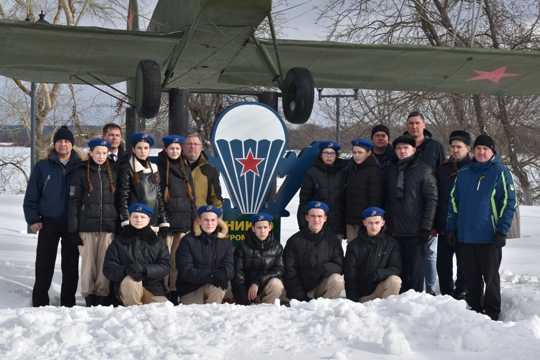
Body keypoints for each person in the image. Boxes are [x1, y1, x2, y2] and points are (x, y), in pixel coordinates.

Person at [447, 134, 516, 321]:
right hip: (467, 236)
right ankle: (475, 308)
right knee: (471, 277)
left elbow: (508, 204)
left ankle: (492, 312)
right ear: (473, 150)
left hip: (489, 236)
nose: (481, 152)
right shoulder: (464, 173)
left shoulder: (500, 172)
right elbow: (454, 202)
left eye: (485, 149)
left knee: (490, 277)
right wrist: (451, 228)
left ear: (492, 151)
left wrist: (502, 231)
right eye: (478, 148)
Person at [23, 125, 84, 307]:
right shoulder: (43, 166)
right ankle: (40, 301)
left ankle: (68, 302)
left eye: (66, 141)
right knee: (44, 264)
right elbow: (32, 194)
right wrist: (33, 219)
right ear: (54, 144)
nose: (63, 144)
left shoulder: (81, 166)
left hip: (72, 222)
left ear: (72, 145)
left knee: (71, 265)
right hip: (48, 222)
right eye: (59, 141)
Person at [68, 138, 117, 307]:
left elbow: (117, 200)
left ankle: (102, 295)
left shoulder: (112, 173)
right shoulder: (81, 173)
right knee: (88, 263)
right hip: (87, 226)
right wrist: (73, 229)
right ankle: (89, 295)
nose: (101, 156)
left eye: (104, 153)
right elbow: (73, 202)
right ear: (90, 153)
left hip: (108, 227)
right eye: (97, 152)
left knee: (104, 261)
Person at [386, 135, 437, 293]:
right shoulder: (392, 170)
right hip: (395, 229)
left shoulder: (424, 170)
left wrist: (425, 227)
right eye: (399, 148)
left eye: (406, 148)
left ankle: (415, 302)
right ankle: (401, 301)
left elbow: (431, 200)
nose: (402, 151)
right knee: (400, 269)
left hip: (415, 230)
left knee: (415, 272)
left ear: (413, 150)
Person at [403, 111, 446, 295]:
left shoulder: (434, 147)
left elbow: (442, 179)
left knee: (428, 253)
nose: (414, 126)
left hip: (429, 207)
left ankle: (429, 291)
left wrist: (435, 220)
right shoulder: (401, 145)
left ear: (424, 125)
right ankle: (410, 290)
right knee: (409, 255)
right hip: (407, 210)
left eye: (417, 123)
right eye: (411, 123)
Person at [103, 203, 170, 306]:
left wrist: (144, 269)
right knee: (131, 281)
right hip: (127, 288)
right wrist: (126, 270)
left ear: (149, 220)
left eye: (143, 217)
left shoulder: (158, 242)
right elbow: (108, 269)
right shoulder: (118, 242)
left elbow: (166, 266)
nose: (139, 220)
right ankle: (132, 313)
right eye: (135, 216)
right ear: (130, 218)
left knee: (163, 310)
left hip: (153, 287)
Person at [157, 134, 197, 305]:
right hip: (166, 224)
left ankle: (174, 292)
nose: (174, 151)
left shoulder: (185, 168)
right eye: (171, 148)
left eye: (177, 148)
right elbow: (158, 198)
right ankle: (162, 292)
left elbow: (192, 197)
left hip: (183, 223)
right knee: (163, 261)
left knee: (177, 262)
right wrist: (162, 220)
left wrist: (194, 220)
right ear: (165, 149)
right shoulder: (158, 167)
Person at [433, 130, 472, 299]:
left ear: (467, 148)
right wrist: (434, 224)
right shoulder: (443, 169)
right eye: (453, 146)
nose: (455, 150)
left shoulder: (472, 168)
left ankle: (461, 291)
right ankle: (446, 293)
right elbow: (437, 198)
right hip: (443, 224)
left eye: (459, 147)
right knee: (443, 264)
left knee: (464, 263)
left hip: (464, 226)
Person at [283, 201, 344, 301]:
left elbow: (340, 265)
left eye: (320, 216)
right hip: (300, 293)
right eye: (313, 216)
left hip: (323, 289)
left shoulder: (332, 240)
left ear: (325, 218)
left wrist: (321, 270)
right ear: (307, 217)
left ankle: (325, 310)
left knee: (337, 279)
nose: (316, 220)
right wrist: (302, 298)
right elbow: (289, 273)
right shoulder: (294, 241)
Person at [176, 205, 234, 304]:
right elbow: (185, 271)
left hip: (212, 286)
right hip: (190, 288)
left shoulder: (226, 243)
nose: (209, 223)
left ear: (217, 222)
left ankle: (214, 314)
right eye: (206, 220)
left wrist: (223, 272)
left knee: (219, 285)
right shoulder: (187, 240)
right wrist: (211, 275)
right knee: (196, 315)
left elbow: (230, 267)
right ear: (199, 221)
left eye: (212, 220)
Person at [344, 207, 401, 303]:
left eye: (377, 223)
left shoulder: (391, 244)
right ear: (364, 223)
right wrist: (353, 303)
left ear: (383, 223)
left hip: (382, 292)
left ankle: (389, 311)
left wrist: (377, 275)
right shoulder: (353, 246)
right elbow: (350, 277)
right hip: (363, 296)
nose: (373, 226)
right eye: (370, 223)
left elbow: (395, 268)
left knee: (395, 280)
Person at [117, 133, 169, 236]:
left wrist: (163, 221)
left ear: (150, 150)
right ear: (133, 149)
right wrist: (127, 221)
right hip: (135, 221)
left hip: (152, 221)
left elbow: (159, 197)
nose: (143, 151)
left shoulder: (154, 169)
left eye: (146, 148)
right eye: (139, 148)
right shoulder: (127, 169)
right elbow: (123, 197)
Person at [232, 213, 284, 305]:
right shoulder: (242, 247)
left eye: (265, 227)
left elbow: (279, 270)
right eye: (259, 228)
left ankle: (266, 310)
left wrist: (258, 282)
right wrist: (246, 302)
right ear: (253, 228)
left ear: (270, 227)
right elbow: (237, 276)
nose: (262, 231)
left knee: (276, 283)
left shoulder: (277, 247)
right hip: (247, 294)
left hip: (266, 291)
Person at [297, 141, 346, 239]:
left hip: (337, 224)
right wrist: (303, 224)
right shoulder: (312, 173)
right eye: (326, 153)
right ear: (321, 155)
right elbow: (304, 200)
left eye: (332, 153)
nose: (329, 156)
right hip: (317, 224)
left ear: (336, 155)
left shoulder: (343, 173)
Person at [344, 138, 382, 242]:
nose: (356, 156)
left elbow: (375, 198)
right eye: (354, 152)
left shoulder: (373, 171)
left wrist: (368, 219)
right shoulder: (352, 169)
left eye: (360, 152)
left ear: (369, 153)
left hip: (365, 222)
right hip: (351, 221)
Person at [182, 133, 223, 209]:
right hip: (178, 218)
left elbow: (216, 200)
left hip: (200, 218)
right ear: (183, 146)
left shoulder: (210, 170)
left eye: (196, 144)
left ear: (201, 147)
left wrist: (216, 218)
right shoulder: (174, 167)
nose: (192, 147)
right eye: (189, 144)